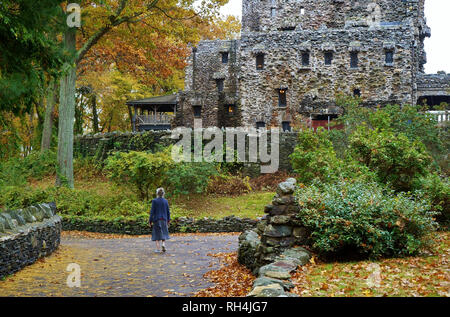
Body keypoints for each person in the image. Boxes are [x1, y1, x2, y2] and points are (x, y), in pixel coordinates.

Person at [149, 188, 170, 253]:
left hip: (156, 219)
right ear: (163, 193)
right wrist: (168, 220)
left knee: (156, 233)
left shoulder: (154, 201)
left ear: (157, 193)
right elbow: (168, 211)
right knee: (163, 232)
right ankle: (163, 244)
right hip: (164, 219)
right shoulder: (165, 201)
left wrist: (150, 221)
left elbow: (152, 212)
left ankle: (158, 249)